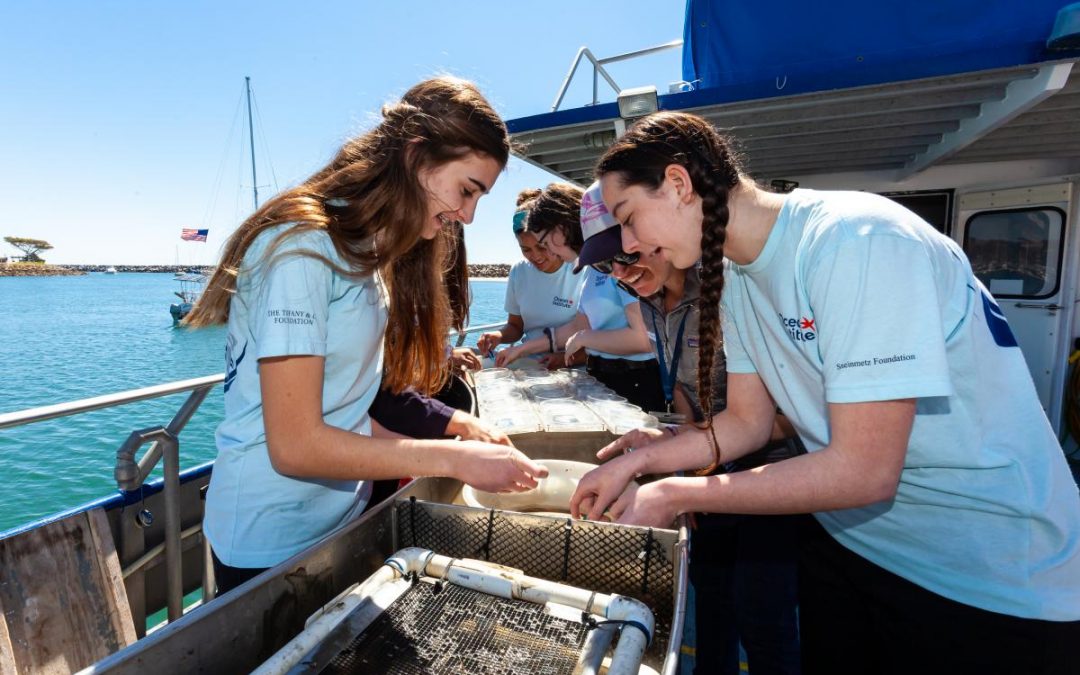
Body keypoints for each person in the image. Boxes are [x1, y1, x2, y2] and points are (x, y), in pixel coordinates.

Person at [572, 111, 1080, 673]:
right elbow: (746, 424)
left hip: (988, 574)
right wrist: (645, 460)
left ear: (678, 184)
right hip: (854, 546)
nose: (627, 243)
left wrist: (674, 495)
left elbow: (864, 469)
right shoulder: (735, 276)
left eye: (628, 218)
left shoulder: (855, 239)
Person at [185, 77, 547, 593]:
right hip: (269, 543)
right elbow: (295, 445)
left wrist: (457, 434)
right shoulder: (300, 249)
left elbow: (349, 412)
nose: (467, 215)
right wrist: (453, 458)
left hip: (340, 521)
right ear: (416, 156)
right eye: (467, 190)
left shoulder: (367, 257)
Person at [582, 227, 801, 674]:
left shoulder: (729, 292)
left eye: (626, 256)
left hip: (776, 476)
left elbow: (791, 417)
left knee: (762, 613)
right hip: (710, 468)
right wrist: (680, 453)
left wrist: (690, 463)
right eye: (607, 268)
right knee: (712, 596)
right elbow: (684, 393)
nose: (621, 274)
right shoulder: (650, 300)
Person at [496, 182, 664, 412]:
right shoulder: (591, 268)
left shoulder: (619, 263)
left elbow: (645, 339)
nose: (548, 254)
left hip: (635, 381)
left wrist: (585, 338)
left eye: (545, 244)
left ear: (562, 228)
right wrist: (520, 350)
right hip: (601, 378)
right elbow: (579, 324)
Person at [475, 189, 584, 369]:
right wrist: (499, 335)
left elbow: (590, 331)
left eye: (542, 247)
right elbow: (515, 326)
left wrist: (564, 357)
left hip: (572, 364)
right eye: (526, 249)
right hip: (528, 361)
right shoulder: (519, 271)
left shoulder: (580, 268)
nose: (535, 256)